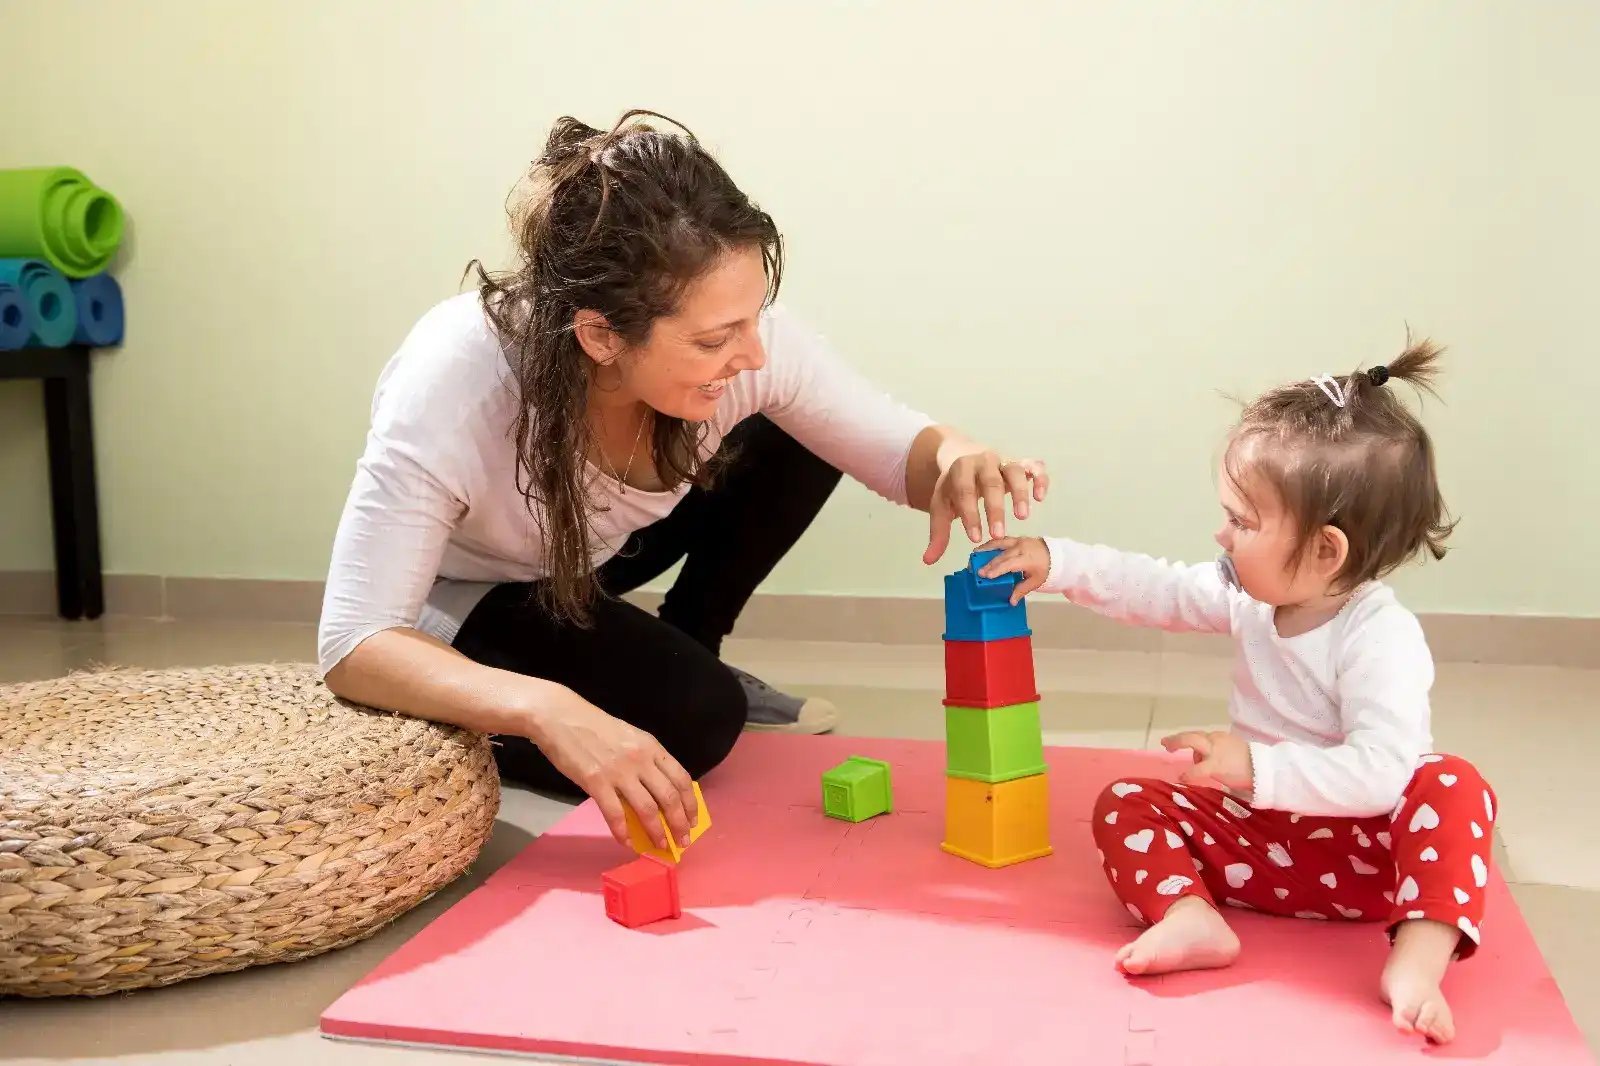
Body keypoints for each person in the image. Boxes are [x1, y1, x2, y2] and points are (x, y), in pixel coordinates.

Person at [316, 110, 1049, 858]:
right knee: (701, 720)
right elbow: (353, 643)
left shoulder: (745, 344)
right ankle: (508, 722)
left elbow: (898, 449)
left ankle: (688, 644)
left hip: (593, 551)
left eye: (752, 319)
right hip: (484, 588)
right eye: (713, 340)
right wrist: (545, 708)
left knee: (795, 435)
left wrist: (961, 459)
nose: (753, 353)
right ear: (599, 335)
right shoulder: (454, 382)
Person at [978, 340, 1492, 1046]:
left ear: (1325, 551)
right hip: (1261, 846)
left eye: (1243, 522)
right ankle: (1189, 915)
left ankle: (1416, 961)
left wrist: (1256, 766)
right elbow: (1155, 586)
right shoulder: (1246, 592)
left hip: (1369, 864)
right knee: (1127, 802)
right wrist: (1059, 561)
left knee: (1454, 786)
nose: (1221, 533)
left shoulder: (1380, 637)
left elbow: (1383, 774)